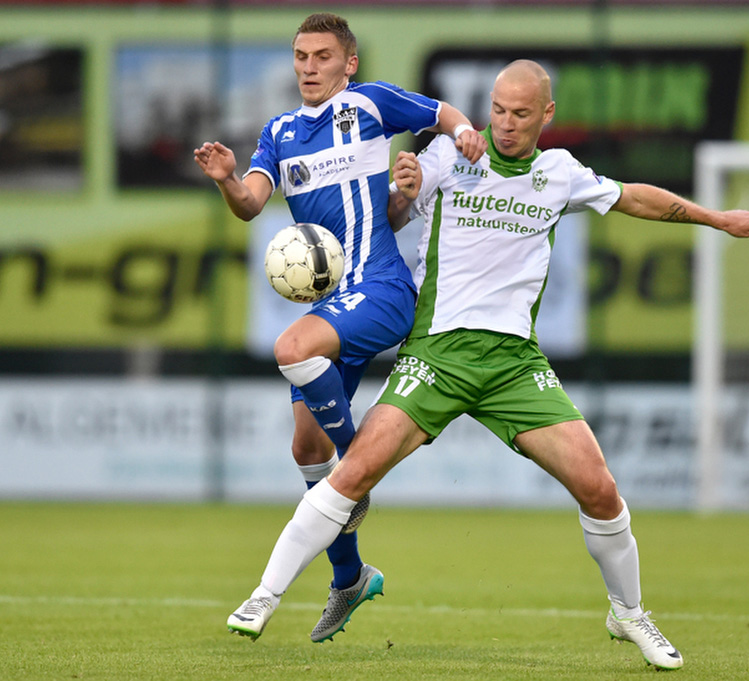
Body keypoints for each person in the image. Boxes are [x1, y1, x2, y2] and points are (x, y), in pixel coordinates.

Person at [226, 59, 749, 669]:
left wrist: (718, 219)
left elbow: (633, 198)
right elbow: (390, 218)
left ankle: (629, 615)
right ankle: (264, 597)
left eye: (520, 114)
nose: (505, 125)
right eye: (497, 111)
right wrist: (405, 193)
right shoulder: (447, 156)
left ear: (546, 115)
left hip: (515, 363)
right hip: (437, 355)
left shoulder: (558, 173)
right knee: (351, 476)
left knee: (599, 488)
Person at [193, 12, 487, 644]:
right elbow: (250, 203)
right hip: (335, 302)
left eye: (322, 56)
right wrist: (224, 180)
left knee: (291, 346)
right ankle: (350, 576)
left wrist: (465, 133)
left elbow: (441, 112)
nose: (308, 67)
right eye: (300, 56)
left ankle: (358, 469)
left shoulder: (371, 104)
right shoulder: (279, 132)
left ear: (347, 63)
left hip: (380, 288)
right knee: (305, 450)